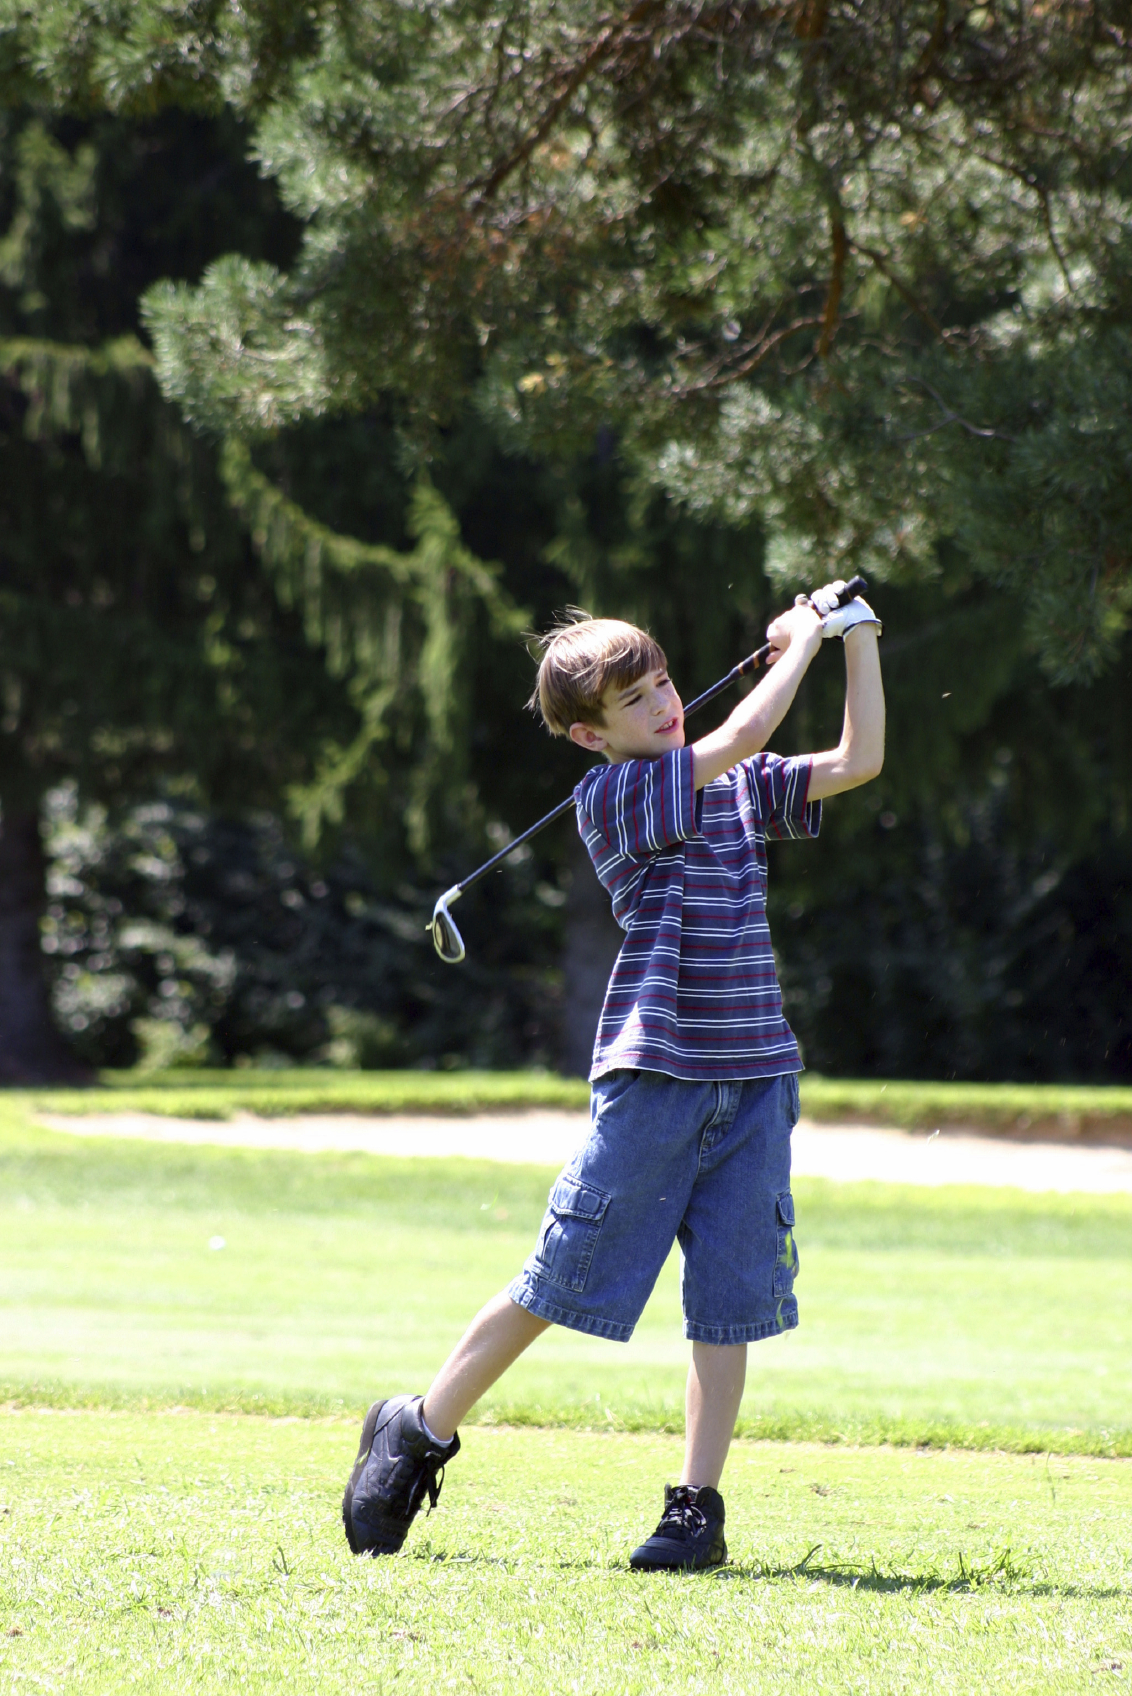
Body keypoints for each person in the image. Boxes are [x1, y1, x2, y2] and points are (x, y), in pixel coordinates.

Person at [342, 581, 885, 1570]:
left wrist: (857, 640)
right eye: (634, 700)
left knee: (728, 1303)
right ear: (590, 736)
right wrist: (800, 639)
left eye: (665, 681)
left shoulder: (728, 783)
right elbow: (736, 735)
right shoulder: (620, 794)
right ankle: (419, 1423)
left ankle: (695, 1506)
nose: (664, 703)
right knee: (564, 1275)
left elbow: (858, 761)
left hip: (755, 1076)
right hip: (656, 1074)